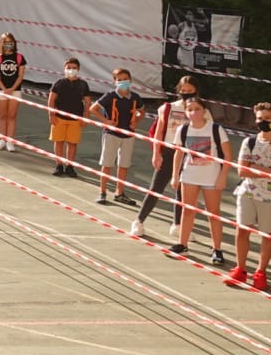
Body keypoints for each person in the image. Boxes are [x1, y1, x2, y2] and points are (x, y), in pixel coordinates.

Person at [133, 76, 205, 238]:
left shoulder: (202, 109)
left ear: (196, 91)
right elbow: (158, 132)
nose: (186, 94)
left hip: (188, 155)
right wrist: (156, 153)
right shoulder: (168, 107)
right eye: (183, 91)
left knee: (182, 191)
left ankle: (178, 225)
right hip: (168, 151)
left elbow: (205, 133)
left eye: (190, 91)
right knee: (156, 188)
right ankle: (139, 221)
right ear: (178, 90)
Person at [169, 96, 231, 266]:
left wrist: (222, 176)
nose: (193, 112)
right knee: (187, 211)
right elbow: (179, 153)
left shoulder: (216, 129)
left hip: (211, 177)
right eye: (190, 109)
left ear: (204, 111)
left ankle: (217, 249)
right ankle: (183, 244)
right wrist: (175, 175)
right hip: (189, 176)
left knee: (213, 213)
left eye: (197, 109)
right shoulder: (183, 130)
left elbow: (227, 156)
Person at [229, 102, 271, 290]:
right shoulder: (250, 142)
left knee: (267, 235)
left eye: (268, 119)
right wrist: (264, 171)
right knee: (242, 231)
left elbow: (250, 168)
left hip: (268, 198)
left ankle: (260, 272)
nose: (264, 122)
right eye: (260, 119)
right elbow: (241, 170)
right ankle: (240, 269)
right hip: (247, 194)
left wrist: (256, 169)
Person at [89, 70, 144, 204]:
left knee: (124, 165)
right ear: (114, 82)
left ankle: (120, 192)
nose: (122, 82)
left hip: (128, 134)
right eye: (119, 80)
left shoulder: (135, 97)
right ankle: (102, 192)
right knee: (107, 164)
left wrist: (136, 120)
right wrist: (106, 121)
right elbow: (93, 109)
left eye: (125, 79)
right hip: (111, 134)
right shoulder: (110, 95)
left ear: (130, 80)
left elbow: (141, 111)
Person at [47, 57, 92, 173]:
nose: (71, 70)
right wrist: (51, 115)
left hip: (75, 119)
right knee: (59, 142)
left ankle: (70, 166)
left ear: (78, 69)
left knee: (72, 143)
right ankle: (59, 165)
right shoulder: (59, 83)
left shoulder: (83, 84)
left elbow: (87, 102)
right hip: (59, 118)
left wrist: (85, 117)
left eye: (74, 68)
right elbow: (51, 100)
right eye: (69, 68)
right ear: (64, 69)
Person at [0, 33, 27, 150]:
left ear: (14, 43)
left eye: (10, 42)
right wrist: (4, 89)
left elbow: (20, 76)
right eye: (6, 42)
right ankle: (2, 139)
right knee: (2, 115)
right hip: (1, 91)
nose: (8, 45)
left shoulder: (19, 57)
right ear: (2, 43)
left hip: (15, 90)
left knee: (12, 116)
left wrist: (12, 88)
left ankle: (10, 141)